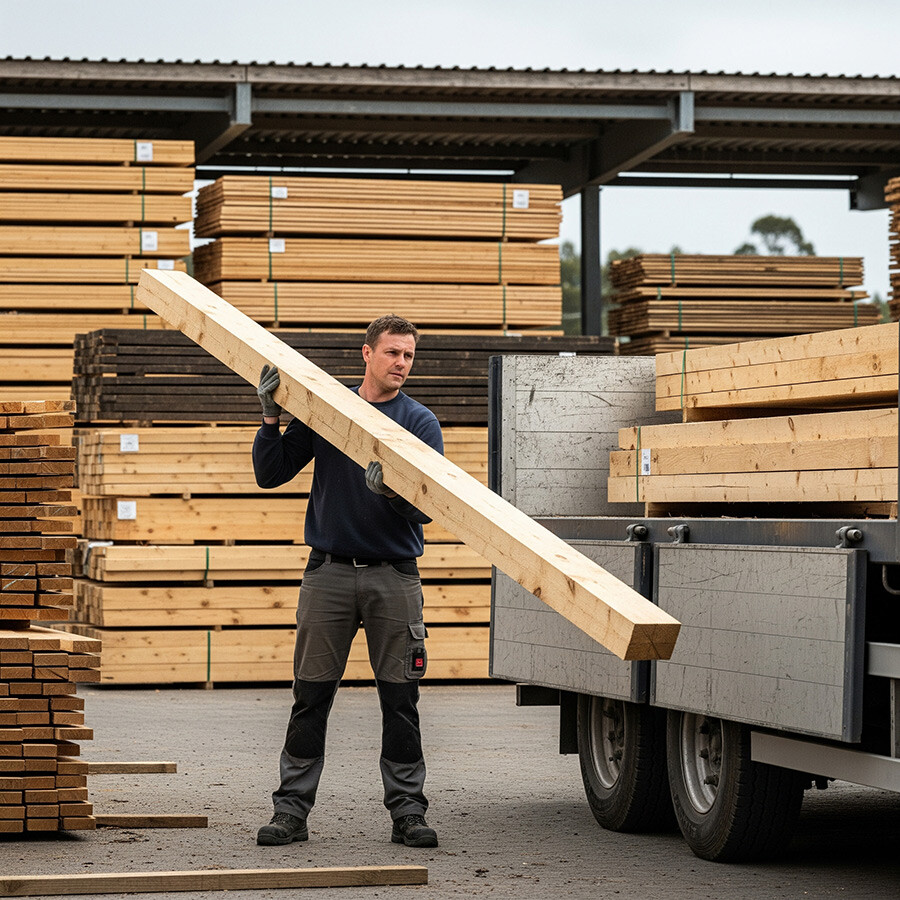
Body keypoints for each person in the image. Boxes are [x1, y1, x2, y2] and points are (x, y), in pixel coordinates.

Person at [252, 314, 443, 849]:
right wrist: (271, 418)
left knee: (400, 700)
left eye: (408, 355)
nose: (401, 364)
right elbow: (271, 474)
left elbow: (427, 511)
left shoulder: (419, 423)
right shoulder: (330, 410)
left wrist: (393, 495)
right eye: (392, 353)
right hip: (329, 574)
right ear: (366, 354)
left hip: (394, 578)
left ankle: (408, 812)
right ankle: (290, 812)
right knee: (310, 696)